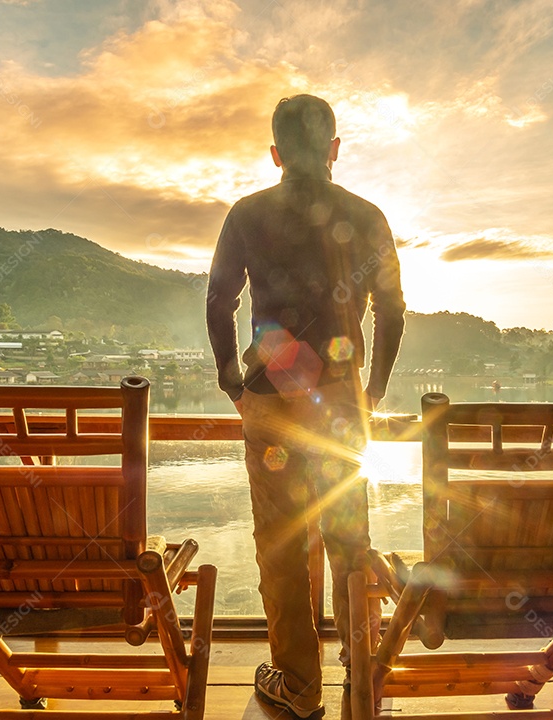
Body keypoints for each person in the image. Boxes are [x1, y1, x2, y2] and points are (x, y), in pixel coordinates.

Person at [206, 94, 406, 718]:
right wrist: (371, 390)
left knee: (281, 541)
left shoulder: (247, 213)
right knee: (349, 534)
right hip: (343, 401)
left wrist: (232, 386)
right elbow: (392, 310)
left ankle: (297, 684)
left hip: (270, 398)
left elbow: (219, 302)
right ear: (334, 150)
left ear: (274, 154)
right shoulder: (366, 214)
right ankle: (359, 665)